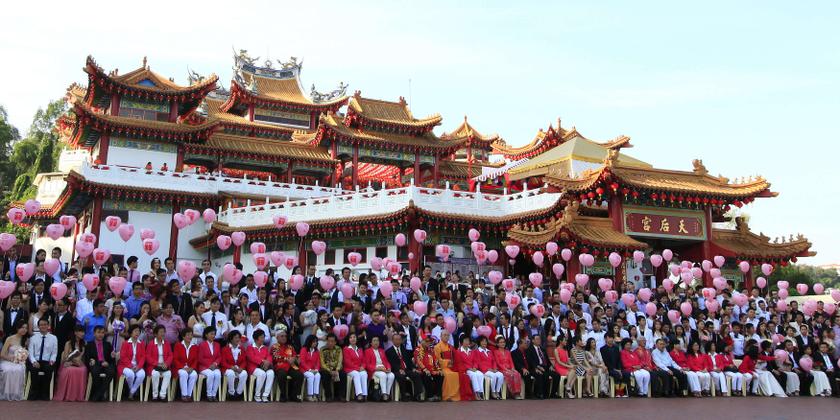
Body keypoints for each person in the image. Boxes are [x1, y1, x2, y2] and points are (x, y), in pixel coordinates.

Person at [53, 324, 88, 401]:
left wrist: (77, 362)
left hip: (78, 363)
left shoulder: (84, 343)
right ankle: (68, 395)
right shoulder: (68, 343)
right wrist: (72, 361)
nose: (83, 334)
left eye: (83, 332)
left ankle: (78, 396)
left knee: (83, 369)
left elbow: (81, 357)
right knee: (70, 370)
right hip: (68, 362)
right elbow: (65, 357)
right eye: (80, 332)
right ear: (75, 332)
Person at [386, 332, 423, 401]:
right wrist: (399, 369)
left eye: (399, 339)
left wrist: (413, 368)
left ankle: (417, 395)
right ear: (392, 340)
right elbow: (391, 363)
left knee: (416, 375)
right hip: (396, 370)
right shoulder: (389, 351)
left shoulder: (404, 349)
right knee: (401, 376)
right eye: (396, 339)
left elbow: (409, 361)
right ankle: (403, 395)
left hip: (406, 369)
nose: (398, 341)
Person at [27, 317, 58, 400]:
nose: (43, 326)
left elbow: (54, 353)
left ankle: (44, 394)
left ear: (48, 326)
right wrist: (33, 361)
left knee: (48, 369)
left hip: (47, 361)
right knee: (34, 370)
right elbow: (30, 352)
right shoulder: (33, 338)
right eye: (41, 325)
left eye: (45, 324)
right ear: (38, 326)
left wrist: (52, 360)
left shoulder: (54, 338)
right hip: (36, 360)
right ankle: (34, 393)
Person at [84, 325, 115, 402]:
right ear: (94, 333)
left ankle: (98, 394)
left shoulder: (108, 344)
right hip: (96, 364)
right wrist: (92, 361)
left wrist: (111, 358)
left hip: (105, 364)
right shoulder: (89, 344)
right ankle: (100, 394)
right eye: (98, 332)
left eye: (102, 333)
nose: (101, 334)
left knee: (111, 371)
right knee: (95, 371)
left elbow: (111, 360)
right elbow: (87, 358)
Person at [0, 320, 29, 400]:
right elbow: (2, 354)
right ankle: (6, 393)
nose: (24, 330)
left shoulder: (26, 340)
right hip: (8, 360)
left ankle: (15, 393)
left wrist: (20, 358)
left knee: (18, 370)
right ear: (17, 328)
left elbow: (26, 353)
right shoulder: (10, 338)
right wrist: (11, 358)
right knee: (8, 370)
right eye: (22, 327)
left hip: (20, 362)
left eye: (26, 328)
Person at [117, 324, 146, 400]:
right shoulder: (125, 343)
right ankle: (132, 391)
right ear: (131, 333)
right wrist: (131, 366)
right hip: (125, 365)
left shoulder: (141, 343)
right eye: (135, 331)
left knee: (142, 374)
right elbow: (123, 357)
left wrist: (139, 366)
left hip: (137, 366)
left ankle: (131, 392)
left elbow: (143, 357)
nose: (137, 333)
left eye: (139, 331)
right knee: (130, 374)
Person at [145, 325, 173, 401]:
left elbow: (170, 356)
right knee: (155, 374)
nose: (163, 334)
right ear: (155, 334)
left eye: (164, 332)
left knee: (168, 374)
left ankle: (162, 395)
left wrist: (166, 363)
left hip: (164, 366)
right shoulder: (151, 344)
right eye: (160, 332)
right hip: (153, 366)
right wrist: (156, 363)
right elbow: (147, 357)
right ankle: (155, 395)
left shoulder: (167, 343)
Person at [246, 329, 274, 402]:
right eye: (261, 337)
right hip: (253, 367)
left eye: (263, 337)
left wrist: (267, 362)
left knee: (271, 373)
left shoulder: (265, 348)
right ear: (256, 338)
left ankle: (265, 395)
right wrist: (262, 361)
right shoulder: (250, 347)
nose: (263, 339)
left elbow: (269, 356)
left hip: (264, 366)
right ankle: (257, 395)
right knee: (262, 374)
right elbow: (252, 357)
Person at [365, 336, 395, 401]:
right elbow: (367, 365)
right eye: (374, 340)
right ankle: (384, 394)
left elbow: (386, 362)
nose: (376, 342)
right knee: (383, 375)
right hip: (374, 370)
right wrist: (378, 368)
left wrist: (389, 368)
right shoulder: (368, 351)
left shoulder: (382, 350)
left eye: (377, 340)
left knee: (391, 375)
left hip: (383, 369)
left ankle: (387, 394)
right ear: (371, 343)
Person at [434, 329, 460, 401]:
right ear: (440, 336)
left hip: (451, 367)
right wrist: (447, 362)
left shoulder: (450, 347)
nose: (446, 337)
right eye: (444, 335)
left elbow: (455, 357)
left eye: (448, 335)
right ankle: (447, 396)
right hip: (442, 367)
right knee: (449, 375)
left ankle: (454, 395)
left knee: (456, 374)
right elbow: (437, 359)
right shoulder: (437, 347)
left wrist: (453, 363)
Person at [414, 334, 443, 401]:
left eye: (430, 341)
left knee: (441, 375)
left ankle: (437, 395)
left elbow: (436, 361)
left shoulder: (431, 350)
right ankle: (430, 396)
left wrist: (439, 369)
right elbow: (419, 362)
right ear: (422, 341)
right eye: (427, 341)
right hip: (422, 370)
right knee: (427, 375)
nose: (429, 343)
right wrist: (425, 369)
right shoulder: (418, 350)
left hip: (432, 370)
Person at [221, 330, 248, 400]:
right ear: (231, 339)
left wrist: (241, 368)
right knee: (231, 373)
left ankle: (238, 393)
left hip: (238, 368)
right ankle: (231, 393)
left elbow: (244, 361)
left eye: (239, 337)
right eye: (236, 338)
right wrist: (231, 367)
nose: (238, 339)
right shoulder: (225, 349)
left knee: (244, 373)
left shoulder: (242, 348)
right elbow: (223, 362)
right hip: (228, 368)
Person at [197, 327, 222, 401]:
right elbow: (200, 358)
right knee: (210, 374)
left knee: (218, 374)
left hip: (214, 366)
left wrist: (215, 364)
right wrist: (209, 365)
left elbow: (219, 357)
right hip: (204, 367)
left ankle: (214, 394)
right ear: (206, 335)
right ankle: (209, 394)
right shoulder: (202, 345)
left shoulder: (217, 344)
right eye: (211, 334)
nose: (213, 336)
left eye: (214, 334)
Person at [173, 328, 199, 401]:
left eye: (191, 335)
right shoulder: (178, 345)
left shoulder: (194, 346)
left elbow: (196, 359)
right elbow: (175, 359)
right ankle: (184, 395)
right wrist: (182, 367)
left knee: (194, 374)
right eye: (188, 335)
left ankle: (189, 395)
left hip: (190, 368)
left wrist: (192, 368)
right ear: (183, 336)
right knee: (184, 374)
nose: (190, 336)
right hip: (180, 368)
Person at [320, 333, 346, 402]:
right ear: (326, 341)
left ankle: (341, 396)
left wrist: (337, 370)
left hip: (336, 368)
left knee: (343, 374)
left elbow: (340, 361)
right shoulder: (322, 349)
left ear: (335, 342)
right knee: (325, 374)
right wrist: (329, 371)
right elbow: (322, 363)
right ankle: (328, 396)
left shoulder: (339, 349)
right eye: (329, 341)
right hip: (326, 368)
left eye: (332, 341)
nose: (330, 343)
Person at [343, 332, 368, 402]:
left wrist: (363, 367)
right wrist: (358, 368)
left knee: (364, 374)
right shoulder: (346, 349)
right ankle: (359, 394)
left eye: (354, 337)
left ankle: (364, 394)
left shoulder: (360, 349)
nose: (352, 339)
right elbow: (347, 362)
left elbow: (364, 360)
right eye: (351, 337)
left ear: (357, 339)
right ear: (348, 340)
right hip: (349, 369)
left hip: (359, 369)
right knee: (356, 374)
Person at [299, 335, 322, 401]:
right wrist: (309, 369)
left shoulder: (316, 351)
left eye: (316, 342)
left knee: (318, 375)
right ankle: (309, 395)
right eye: (314, 341)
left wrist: (316, 369)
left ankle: (315, 394)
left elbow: (318, 362)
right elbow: (302, 362)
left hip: (313, 370)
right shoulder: (304, 349)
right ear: (309, 342)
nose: (315, 343)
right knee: (311, 375)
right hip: (304, 369)